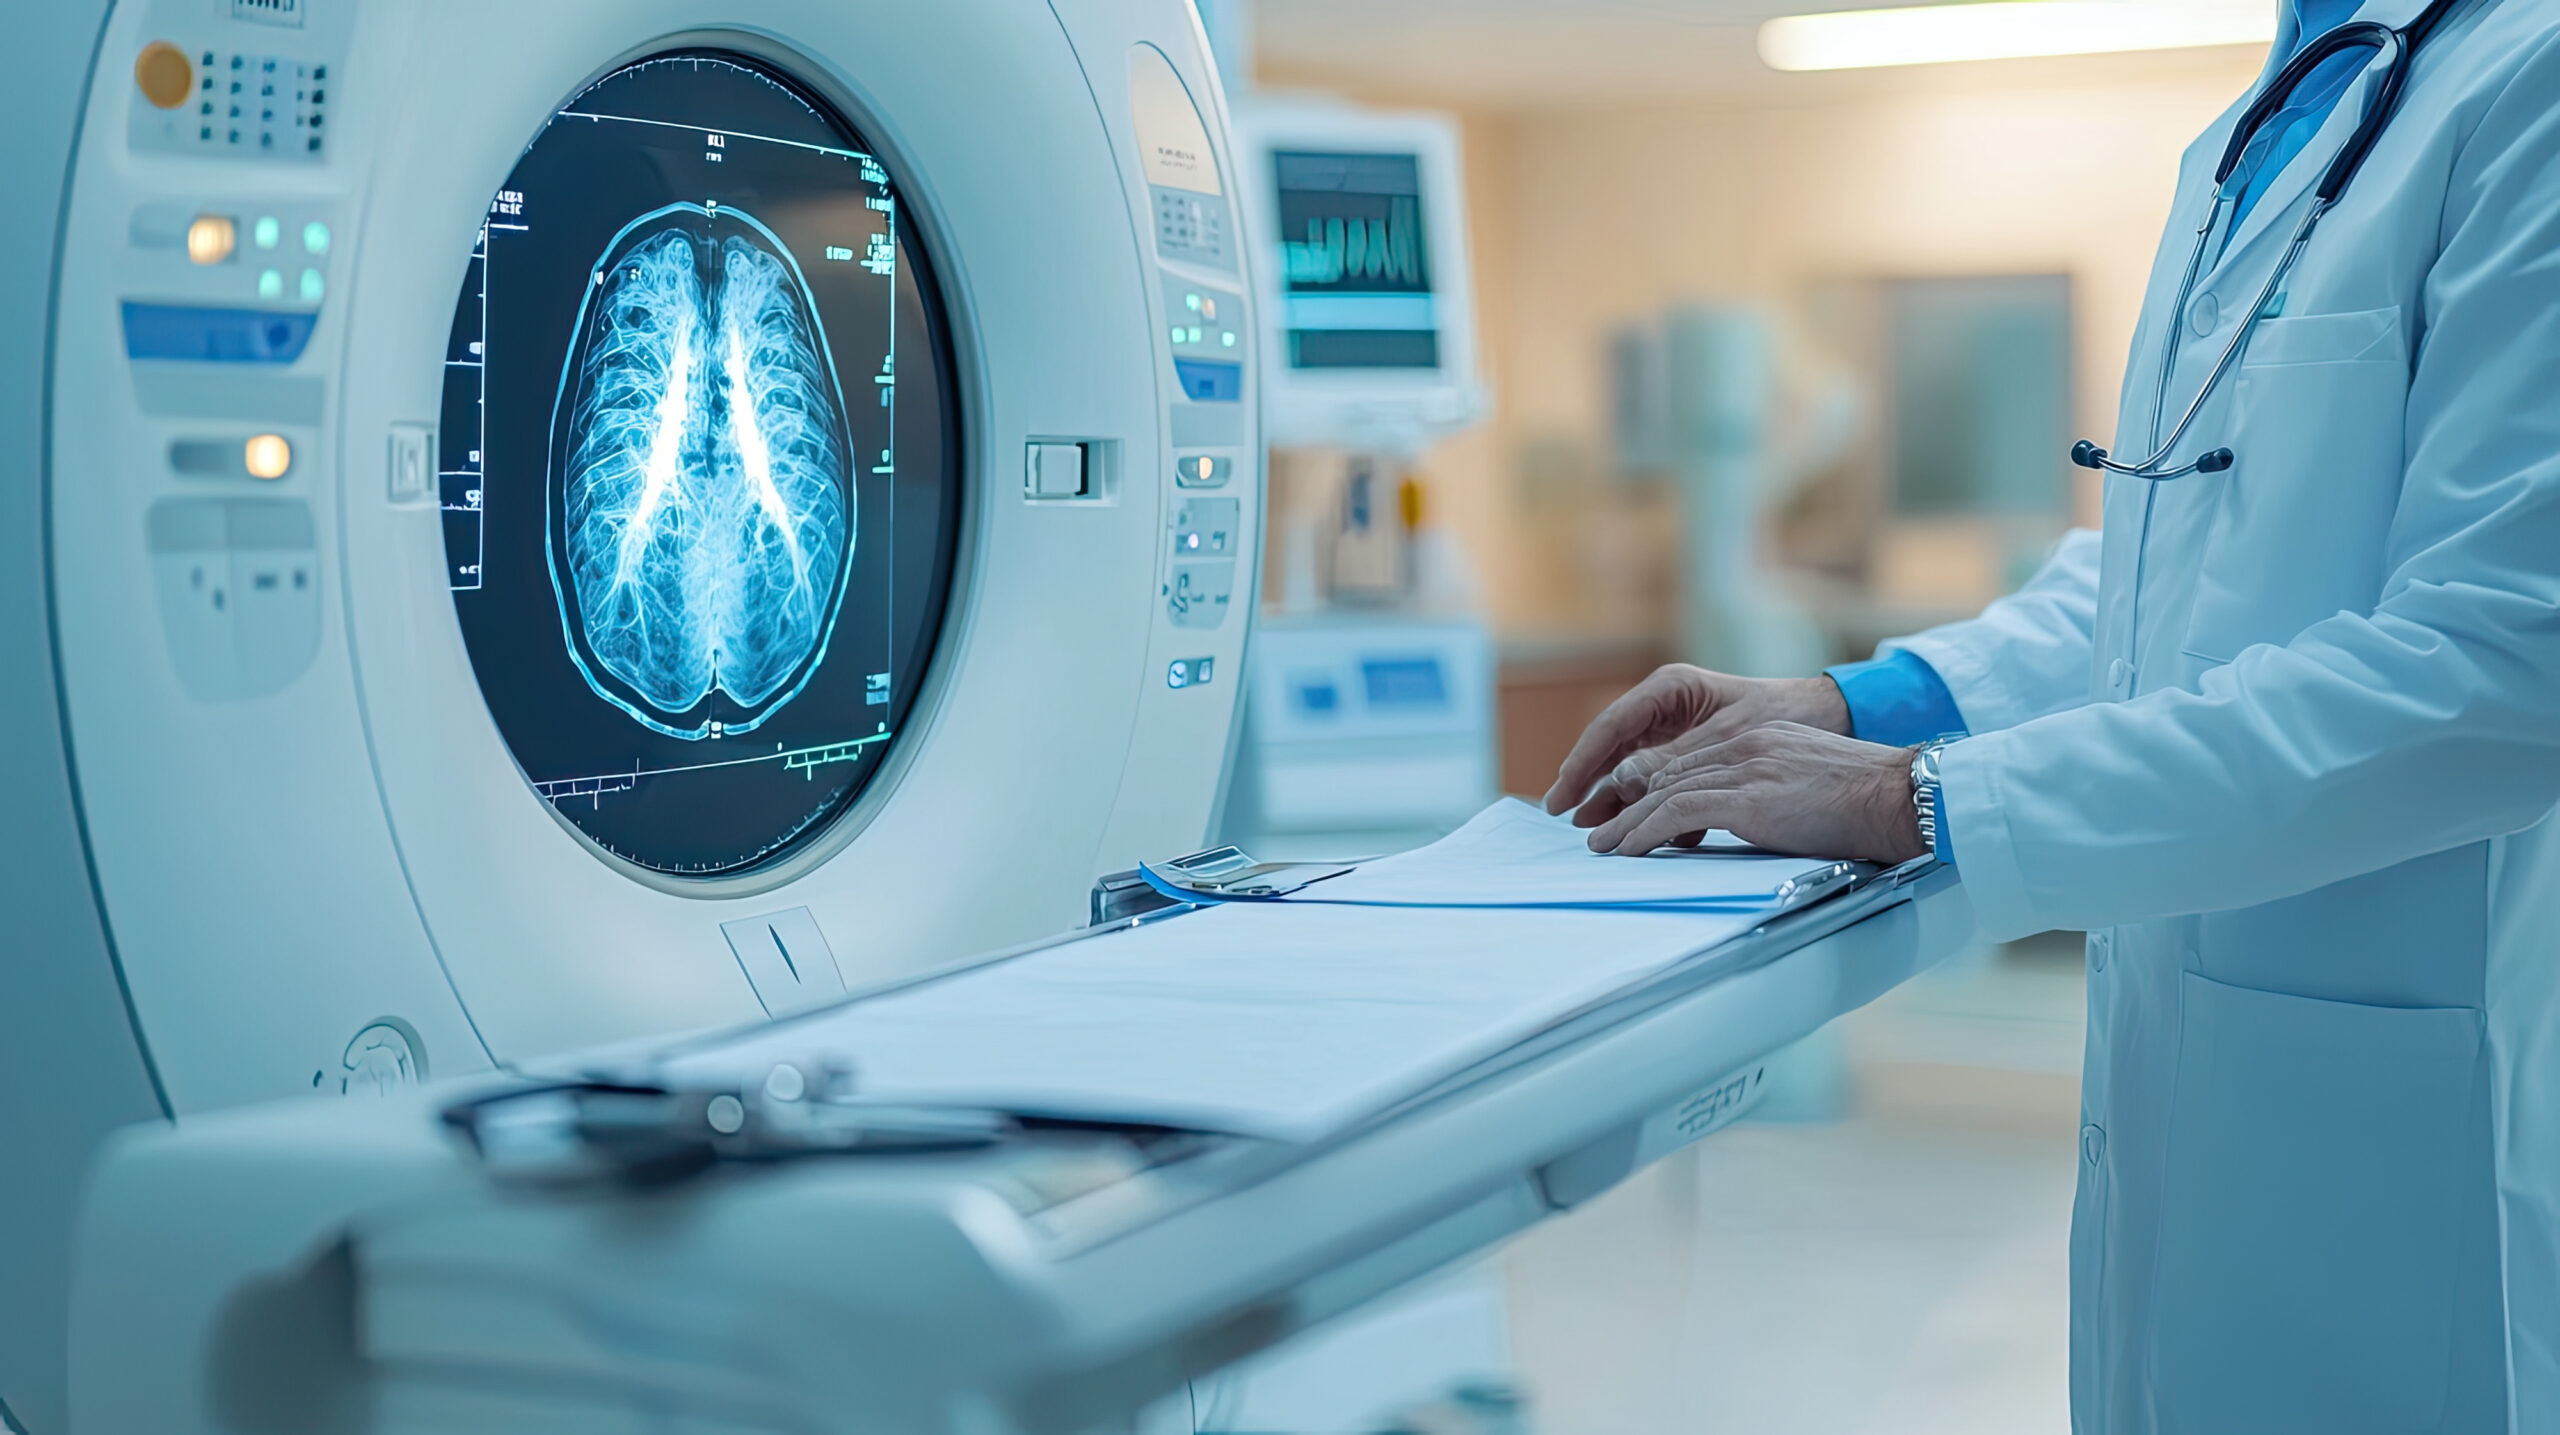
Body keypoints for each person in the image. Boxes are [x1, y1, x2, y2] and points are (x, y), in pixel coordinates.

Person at [1541, 0, 2560, 1429]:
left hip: (2409, 1104)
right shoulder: (2268, 124)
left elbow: (2507, 661)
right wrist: (1856, 701)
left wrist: (1923, 796)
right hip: (2205, 1076)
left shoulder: (2531, 82)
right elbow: (2172, 572)